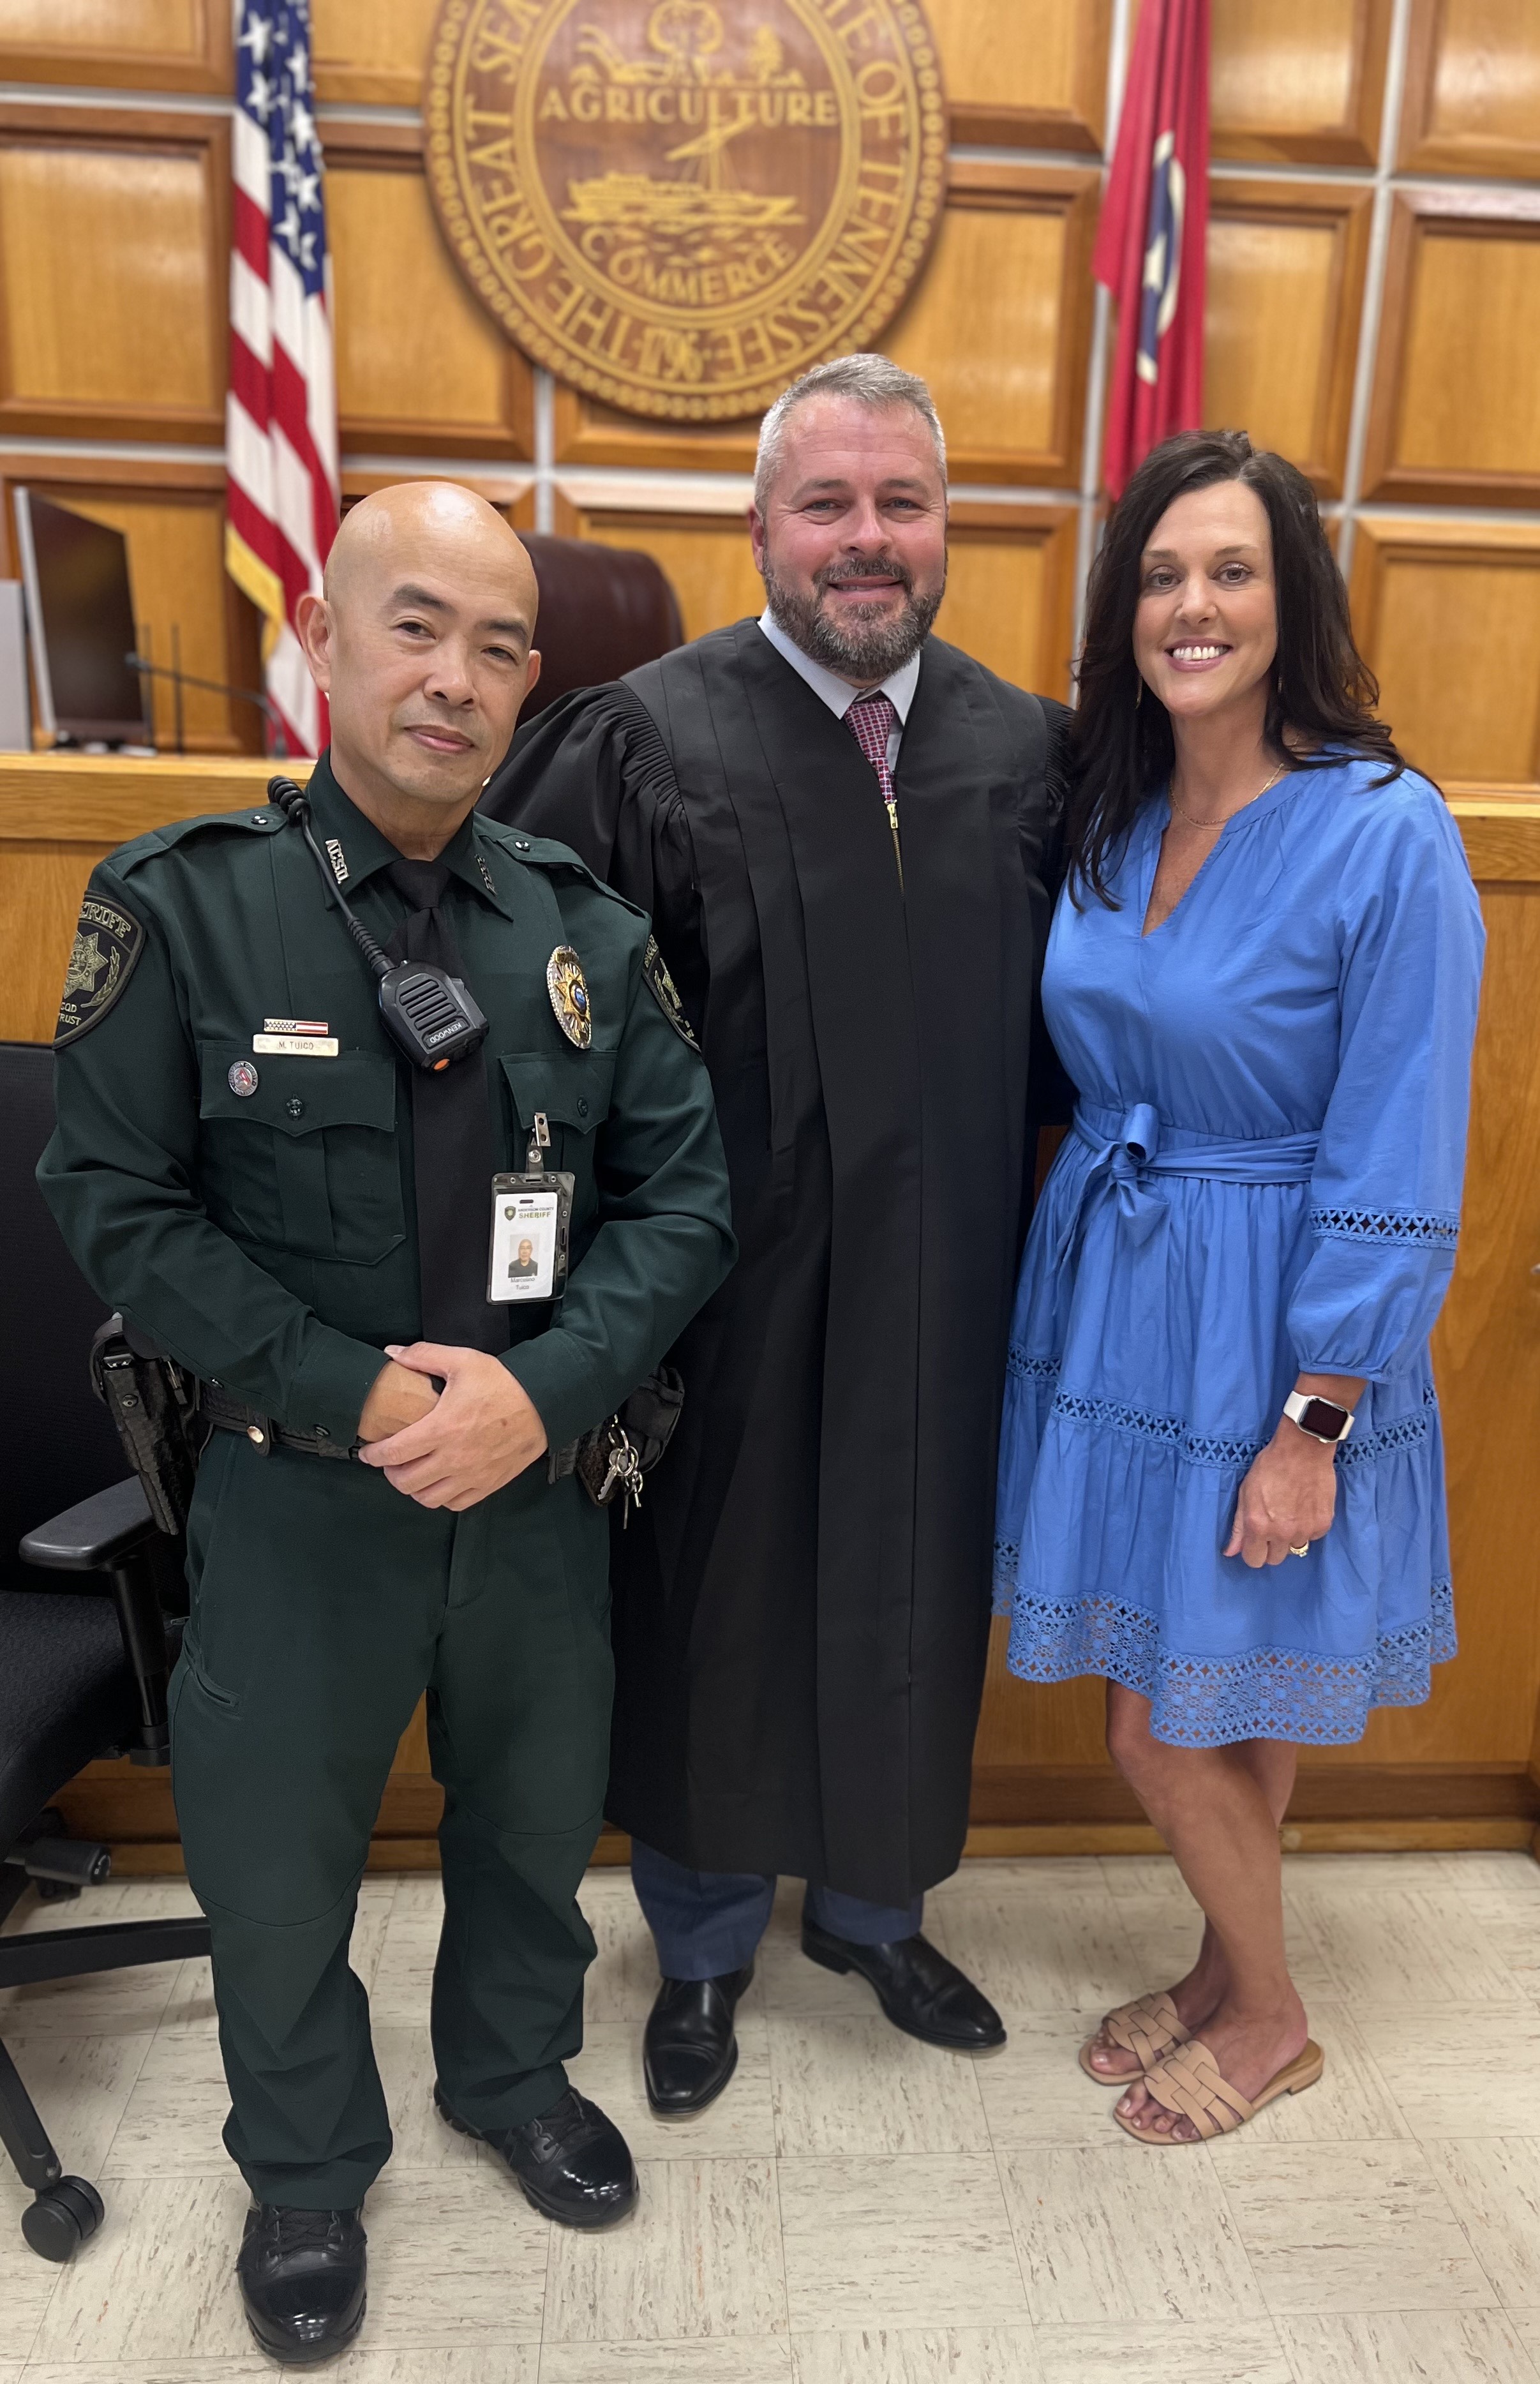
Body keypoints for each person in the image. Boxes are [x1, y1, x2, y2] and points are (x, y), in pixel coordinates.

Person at [38, 482, 735, 2360]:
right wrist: (352, 1390)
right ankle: (304, 2168)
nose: (458, 678)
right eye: (415, 626)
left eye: (502, 645)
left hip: (530, 1496)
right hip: (295, 1498)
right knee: (276, 1870)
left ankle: (509, 2078)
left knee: (529, 1829)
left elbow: (688, 1203)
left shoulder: (576, 932)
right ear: (322, 643)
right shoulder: (184, 903)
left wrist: (543, 1388)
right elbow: (116, 1202)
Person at [484, 353, 1071, 2115]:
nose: (867, 540)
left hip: (954, 1287)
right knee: (720, 1609)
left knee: (916, 1580)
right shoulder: (647, 742)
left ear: (945, 526)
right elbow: (543, 1043)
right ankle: (709, 1947)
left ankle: (877, 1916)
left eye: (902, 502)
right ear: (761, 527)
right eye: (829, 503)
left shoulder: (1027, 752)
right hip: (720, 1306)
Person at [994, 429, 1483, 2145]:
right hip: (1127, 1299)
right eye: (1161, 573)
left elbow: (1403, 1144)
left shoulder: (1383, 830)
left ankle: (1269, 2012)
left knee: (1155, 1724)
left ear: (1294, 601)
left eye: (1232, 571)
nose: (1191, 605)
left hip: (1279, 1316)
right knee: (1228, 1680)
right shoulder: (1112, 807)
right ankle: (1221, 1966)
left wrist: (1318, 1415)